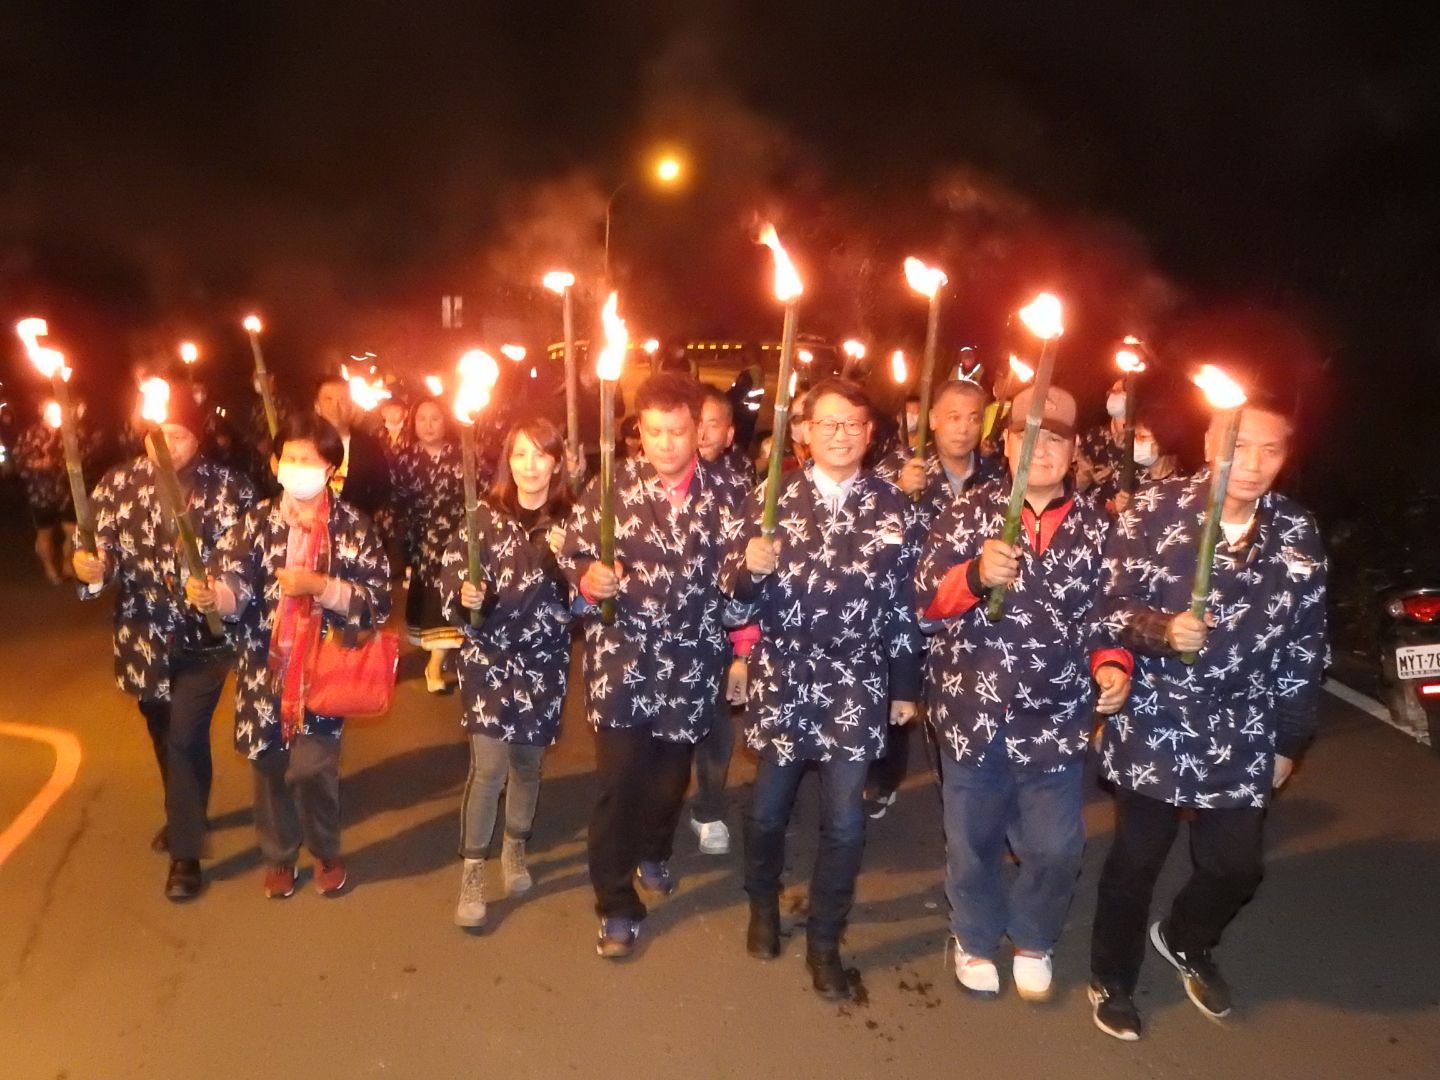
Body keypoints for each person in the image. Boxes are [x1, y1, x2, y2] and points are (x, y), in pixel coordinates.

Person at [1086, 392, 1327, 1041]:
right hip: (1158, 720)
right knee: (1135, 861)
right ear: (1212, 447)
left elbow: (1305, 646)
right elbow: (1109, 608)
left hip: (1244, 728)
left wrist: (1291, 739)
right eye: (1239, 446)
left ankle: (1186, 937)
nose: (1252, 463)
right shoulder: (1155, 512)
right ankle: (1111, 974)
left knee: (1235, 866)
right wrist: (1162, 630)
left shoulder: (1297, 532)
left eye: (1269, 449)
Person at [914, 384, 1131, 1003]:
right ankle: (975, 937)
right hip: (970, 711)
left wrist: (1111, 666)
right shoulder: (963, 514)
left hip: (1055, 717)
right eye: (1028, 436)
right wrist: (976, 576)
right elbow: (925, 607)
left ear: (1071, 450)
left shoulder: (1099, 527)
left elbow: (1110, 614)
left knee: (1056, 846)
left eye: (1057, 439)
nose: (1041, 449)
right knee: (972, 843)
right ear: (1006, 442)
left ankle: (1034, 936)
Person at [719, 378, 924, 1001]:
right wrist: (748, 574)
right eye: (827, 424)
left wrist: (904, 684)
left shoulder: (897, 509)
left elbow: (906, 610)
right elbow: (731, 609)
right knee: (766, 811)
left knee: (845, 824)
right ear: (803, 432)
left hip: (856, 683)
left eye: (852, 424)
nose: (840, 435)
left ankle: (826, 941)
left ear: (869, 434)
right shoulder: (770, 500)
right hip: (783, 678)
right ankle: (762, 906)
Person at [556, 372, 750, 959]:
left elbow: (742, 588)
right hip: (622, 663)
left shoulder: (728, 494)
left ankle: (654, 847)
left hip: (691, 665)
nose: (666, 443)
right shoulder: (608, 489)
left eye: (678, 431)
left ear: (700, 430)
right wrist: (587, 579)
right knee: (618, 785)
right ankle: (615, 903)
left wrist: (744, 647)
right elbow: (570, 552)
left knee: (668, 784)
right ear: (638, 431)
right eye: (655, 431)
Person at [186, 413, 391, 900]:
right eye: (290, 458)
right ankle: (279, 855)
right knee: (269, 762)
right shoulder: (256, 521)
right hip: (264, 665)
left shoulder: (352, 525)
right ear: (275, 462)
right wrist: (218, 596)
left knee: (313, 768)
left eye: (310, 460)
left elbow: (377, 599)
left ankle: (325, 848)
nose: (298, 467)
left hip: (324, 666)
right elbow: (233, 577)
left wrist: (322, 588)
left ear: (330, 469)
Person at [74, 392, 255, 900]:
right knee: (162, 732)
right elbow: (96, 548)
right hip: (142, 633)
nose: (167, 444)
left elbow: (245, 553)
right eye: (160, 433)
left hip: (204, 638)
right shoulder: (117, 483)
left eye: (179, 434)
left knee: (184, 735)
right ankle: (185, 809)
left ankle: (186, 854)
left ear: (196, 439)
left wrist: (218, 588)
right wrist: (90, 566)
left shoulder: (228, 488)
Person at [440, 417, 574, 929]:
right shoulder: (483, 516)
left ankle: (514, 846)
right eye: (519, 454)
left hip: (543, 662)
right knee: (489, 767)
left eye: (541, 455)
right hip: (490, 658)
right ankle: (473, 868)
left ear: (557, 462)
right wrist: (467, 596)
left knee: (526, 765)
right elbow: (454, 575)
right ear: (506, 461)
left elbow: (590, 599)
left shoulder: (573, 520)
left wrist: (568, 567)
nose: (530, 466)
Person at [867, 379, 1005, 819]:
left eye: (972, 418)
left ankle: (962, 789)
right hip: (908, 604)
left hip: (968, 610)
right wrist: (901, 492)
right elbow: (872, 532)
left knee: (957, 706)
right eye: (952, 417)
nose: (962, 428)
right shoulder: (899, 468)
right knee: (898, 697)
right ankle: (886, 777)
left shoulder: (997, 476)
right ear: (932, 420)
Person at [689, 384, 759, 854]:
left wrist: (744, 647)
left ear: (730, 432)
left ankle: (709, 808)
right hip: (669, 632)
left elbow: (752, 578)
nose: (700, 432)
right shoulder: (652, 484)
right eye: (693, 421)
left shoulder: (742, 488)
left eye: (712, 422)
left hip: (719, 627)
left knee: (716, 726)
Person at [392, 398, 468, 692]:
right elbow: (398, 502)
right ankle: (437, 660)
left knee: (455, 594)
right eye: (422, 419)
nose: (428, 425)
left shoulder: (463, 455)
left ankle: (437, 662)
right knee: (433, 597)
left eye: (435, 418)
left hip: (458, 537)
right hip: (422, 540)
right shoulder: (404, 459)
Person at [16, 404, 79, 585]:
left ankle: (67, 566)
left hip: (65, 490)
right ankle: (51, 571)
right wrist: (42, 463)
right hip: (41, 493)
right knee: (45, 532)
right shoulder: (32, 434)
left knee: (73, 531)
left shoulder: (66, 433)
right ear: (43, 413)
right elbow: (21, 461)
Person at [313, 375, 392, 520]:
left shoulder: (369, 446)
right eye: (328, 399)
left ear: (352, 407)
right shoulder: (304, 444)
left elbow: (382, 489)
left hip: (355, 532)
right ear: (317, 406)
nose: (335, 407)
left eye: (342, 400)